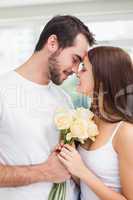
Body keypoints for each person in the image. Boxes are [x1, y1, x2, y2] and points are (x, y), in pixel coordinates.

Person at [0, 15, 95, 200]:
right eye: (74, 59)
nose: (76, 70)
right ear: (52, 43)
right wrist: (44, 172)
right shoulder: (3, 90)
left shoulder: (64, 98)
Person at [58, 46, 133, 200]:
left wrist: (82, 170)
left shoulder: (125, 132)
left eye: (84, 68)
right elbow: (86, 185)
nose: (76, 73)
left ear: (103, 77)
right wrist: (70, 162)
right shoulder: (89, 120)